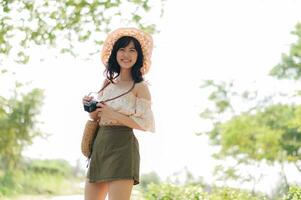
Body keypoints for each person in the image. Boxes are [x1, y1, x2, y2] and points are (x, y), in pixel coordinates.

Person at [82, 27, 155, 200]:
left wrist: (112, 114)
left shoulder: (140, 87)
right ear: (115, 53)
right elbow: (98, 117)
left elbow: (145, 124)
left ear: (138, 56)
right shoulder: (107, 83)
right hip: (100, 145)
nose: (126, 54)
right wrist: (90, 108)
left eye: (132, 50)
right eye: (122, 49)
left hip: (123, 146)